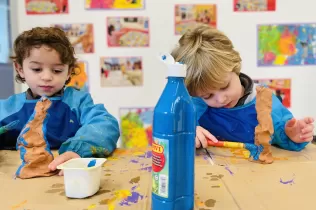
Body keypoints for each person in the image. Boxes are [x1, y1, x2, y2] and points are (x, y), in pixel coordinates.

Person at [171, 24, 314, 151]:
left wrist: (292, 134)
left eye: (224, 86)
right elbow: (172, 127)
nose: (221, 99)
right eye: (208, 96)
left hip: (255, 174)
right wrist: (187, 130)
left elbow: (281, 133)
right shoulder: (195, 103)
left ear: (234, 67)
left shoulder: (263, 100)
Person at [0, 27, 120, 175]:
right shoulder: (8, 109)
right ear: (20, 69)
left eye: (57, 70)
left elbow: (105, 124)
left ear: (69, 71)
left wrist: (77, 151)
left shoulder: (78, 102)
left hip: (68, 176)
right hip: (17, 180)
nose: (46, 77)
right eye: (37, 69)